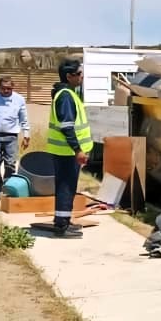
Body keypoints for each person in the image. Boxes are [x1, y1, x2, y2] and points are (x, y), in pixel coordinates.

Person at [46, 58, 93, 238]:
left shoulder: (68, 93)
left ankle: (63, 221)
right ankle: (61, 226)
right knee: (66, 188)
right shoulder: (65, 96)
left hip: (66, 152)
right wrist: (77, 150)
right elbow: (67, 126)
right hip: (67, 152)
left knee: (67, 187)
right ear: (69, 76)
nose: (82, 77)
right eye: (79, 74)